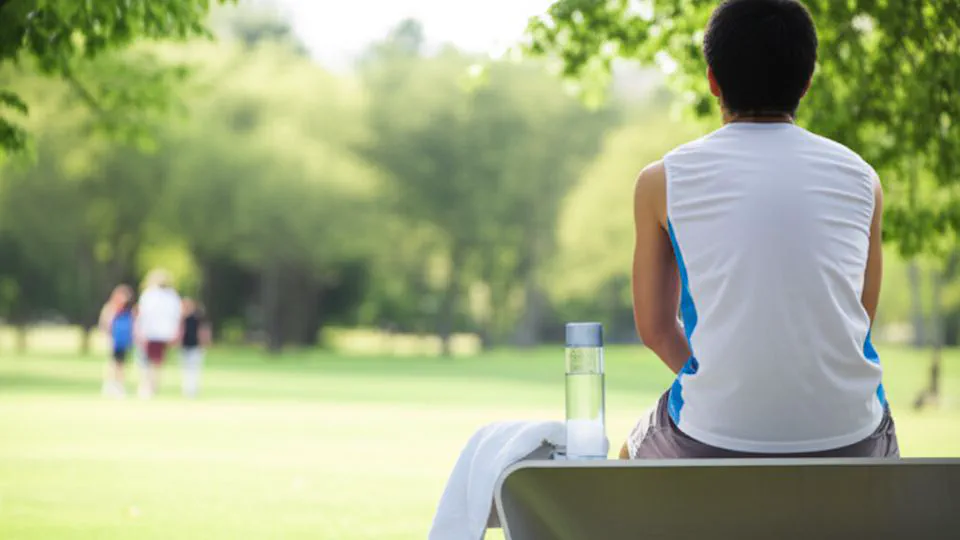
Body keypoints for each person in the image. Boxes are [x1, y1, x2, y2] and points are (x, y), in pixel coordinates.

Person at [624, 0, 897, 459]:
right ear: (807, 82)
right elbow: (858, 318)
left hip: (708, 436)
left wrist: (719, 381)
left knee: (629, 453)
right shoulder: (863, 179)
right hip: (855, 437)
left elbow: (653, 328)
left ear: (712, 79)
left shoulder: (660, 181)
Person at [135, 269, 182, 399]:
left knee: (147, 362)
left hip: (151, 333)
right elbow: (176, 316)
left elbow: (142, 315)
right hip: (163, 333)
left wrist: (139, 331)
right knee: (157, 362)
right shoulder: (172, 296)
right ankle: (152, 386)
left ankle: (147, 386)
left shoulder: (149, 295)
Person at [98, 284, 134, 397]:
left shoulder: (128, 310)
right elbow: (105, 323)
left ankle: (119, 386)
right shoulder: (111, 308)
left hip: (124, 340)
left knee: (121, 364)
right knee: (113, 363)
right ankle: (109, 385)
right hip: (114, 339)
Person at [179, 298, 212, 398]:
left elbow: (203, 331)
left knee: (194, 368)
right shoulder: (182, 319)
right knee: (186, 369)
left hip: (196, 347)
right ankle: (187, 389)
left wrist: (204, 342)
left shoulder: (197, 318)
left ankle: (193, 389)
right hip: (185, 347)